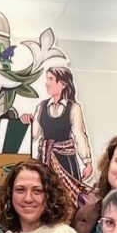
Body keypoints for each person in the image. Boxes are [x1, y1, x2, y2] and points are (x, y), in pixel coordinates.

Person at [20, 67, 96, 206]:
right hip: (45, 161)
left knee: (68, 201)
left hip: (66, 161)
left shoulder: (73, 108)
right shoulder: (41, 107)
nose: (47, 83)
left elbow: (79, 135)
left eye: (51, 79)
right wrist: (26, 121)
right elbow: (33, 135)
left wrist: (87, 162)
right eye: (47, 79)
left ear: (62, 84)